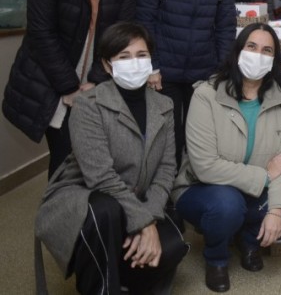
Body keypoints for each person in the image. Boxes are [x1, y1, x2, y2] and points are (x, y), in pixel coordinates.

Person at [35, 22, 188, 295]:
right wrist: (145, 223)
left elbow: (167, 169)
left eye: (141, 56)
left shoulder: (164, 105)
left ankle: (123, 278)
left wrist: (150, 217)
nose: (135, 63)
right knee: (106, 210)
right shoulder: (88, 105)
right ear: (107, 65)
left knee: (173, 244)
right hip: (85, 196)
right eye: (124, 57)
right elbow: (100, 176)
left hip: (135, 198)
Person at [3, 0, 136, 177]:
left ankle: (88, 219)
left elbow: (121, 35)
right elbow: (41, 33)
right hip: (54, 81)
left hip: (96, 80)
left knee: (93, 159)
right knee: (65, 163)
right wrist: (70, 87)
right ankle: (60, 218)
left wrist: (97, 80)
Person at [173, 23, 281, 293]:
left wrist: (276, 210)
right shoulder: (206, 95)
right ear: (238, 51)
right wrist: (265, 175)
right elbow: (205, 166)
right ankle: (216, 257)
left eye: (267, 50)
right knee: (227, 204)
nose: (258, 55)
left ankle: (249, 239)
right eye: (252, 47)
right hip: (202, 189)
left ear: (274, 61)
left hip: (252, 193)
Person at [136, 0, 237, 167]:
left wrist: (220, 70)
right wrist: (151, 66)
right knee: (168, 139)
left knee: (200, 139)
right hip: (163, 74)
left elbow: (226, 26)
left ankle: (192, 195)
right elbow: (144, 21)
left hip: (203, 74)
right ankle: (166, 198)